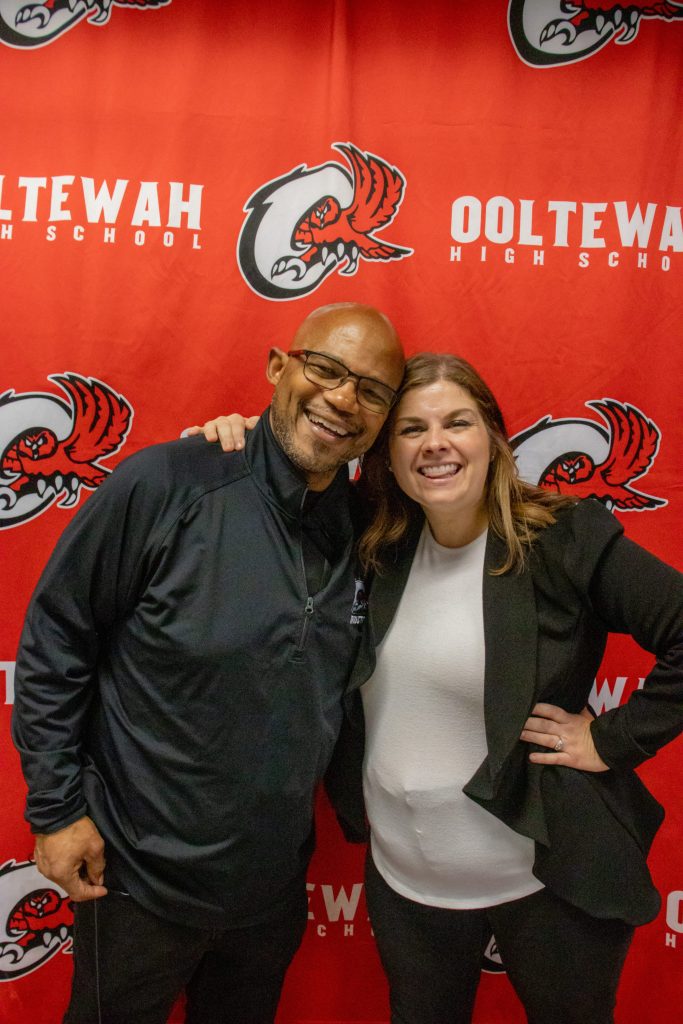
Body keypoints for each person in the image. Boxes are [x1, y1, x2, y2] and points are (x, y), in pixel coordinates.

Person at [197, 352, 683, 1024]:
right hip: (409, 884)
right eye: (410, 429)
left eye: (457, 422)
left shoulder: (561, 538)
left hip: (543, 879)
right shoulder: (375, 539)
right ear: (385, 456)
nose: (435, 444)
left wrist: (612, 738)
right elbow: (286, 476)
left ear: (493, 438)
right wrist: (240, 440)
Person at [11, 301, 405, 1024]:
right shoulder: (165, 485)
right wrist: (57, 808)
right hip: (133, 879)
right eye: (325, 369)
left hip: (269, 893)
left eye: (372, 391)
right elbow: (56, 638)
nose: (344, 399)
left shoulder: (370, 530)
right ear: (278, 367)